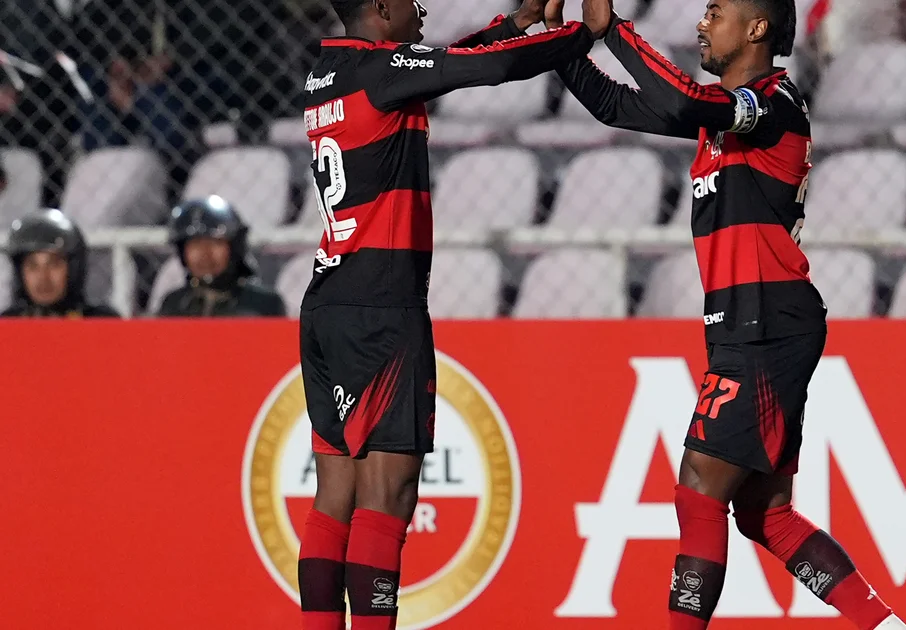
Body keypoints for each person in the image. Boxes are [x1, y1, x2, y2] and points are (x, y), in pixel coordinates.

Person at [543, 0, 906, 628]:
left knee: (698, 489)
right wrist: (562, 43)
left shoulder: (773, 105)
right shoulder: (725, 120)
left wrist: (617, 32)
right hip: (752, 324)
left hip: (765, 323)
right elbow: (613, 105)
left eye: (715, 11)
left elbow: (685, 101)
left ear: (757, 28)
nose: (701, 24)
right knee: (766, 516)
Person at [295, 1, 611, 628]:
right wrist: (582, 35)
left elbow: (451, 59)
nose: (422, 7)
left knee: (335, 496)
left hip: (328, 300)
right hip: (382, 308)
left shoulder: (330, 74)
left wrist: (515, 21)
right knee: (388, 497)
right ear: (381, 9)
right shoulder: (386, 73)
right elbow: (490, 71)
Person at [157, 196, 287, 317]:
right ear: (182, 252)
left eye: (215, 243)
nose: (205, 254)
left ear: (234, 247)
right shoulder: (174, 304)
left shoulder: (263, 305)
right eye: (195, 244)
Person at [1, 208, 119, 318]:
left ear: (74, 269)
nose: (43, 278)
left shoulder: (100, 321)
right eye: (32, 266)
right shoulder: (7, 324)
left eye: (54, 264)